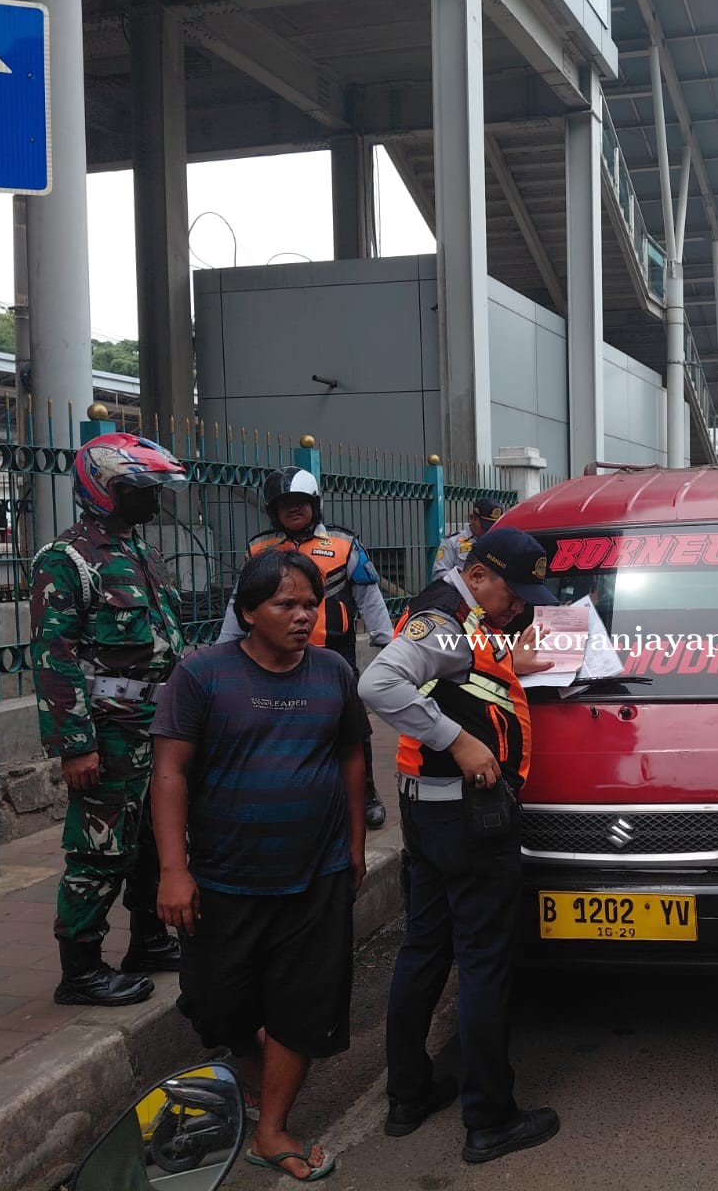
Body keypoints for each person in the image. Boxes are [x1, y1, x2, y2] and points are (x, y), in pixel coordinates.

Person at [150, 548, 369, 1182]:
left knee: (303, 1006)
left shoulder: (333, 673)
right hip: (223, 879)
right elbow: (170, 772)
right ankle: (255, 1071)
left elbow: (353, 758)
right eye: (286, 604)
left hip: (317, 875)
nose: (304, 616)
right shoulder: (202, 676)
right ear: (247, 612)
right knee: (213, 1005)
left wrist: (354, 846)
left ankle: (271, 1128)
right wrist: (173, 869)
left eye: (311, 604)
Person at [360, 526, 561, 1165]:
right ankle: (490, 1118)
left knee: (425, 946)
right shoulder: (441, 620)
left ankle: (409, 1094)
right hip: (468, 821)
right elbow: (379, 685)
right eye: (514, 592)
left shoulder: (463, 616)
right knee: (482, 961)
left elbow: (464, 672)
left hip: (432, 816)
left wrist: (509, 662)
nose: (522, 607)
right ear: (476, 576)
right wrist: (459, 740)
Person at [30, 432, 189, 1008]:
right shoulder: (65, 560)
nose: (151, 498)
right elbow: (55, 656)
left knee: (153, 839)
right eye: (138, 487)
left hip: (158, 722)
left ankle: (148, 939)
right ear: (102, 490)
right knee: (100, 847)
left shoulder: (143, 555)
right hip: (110, 730)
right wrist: (75, 745)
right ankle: (81, 969)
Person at [216, 466, 395, 830]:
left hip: (336, 653)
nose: (292, 511)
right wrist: (224, 648)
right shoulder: (259, 549)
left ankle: (367, 792)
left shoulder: (344, 544)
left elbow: (370, 596)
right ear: (272, 510)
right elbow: (240, 600)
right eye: (284, 505)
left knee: (352, 726)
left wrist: (385, 641)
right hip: (272, 656)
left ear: (315, 504)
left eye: (299, 503)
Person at [432, 497, 503, 579]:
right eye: (485, 526)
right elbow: (438, 575)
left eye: (494, 526)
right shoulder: (452, 542)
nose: (488, 531)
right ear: (472, 518)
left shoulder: (499, 542)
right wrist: (463, 579)